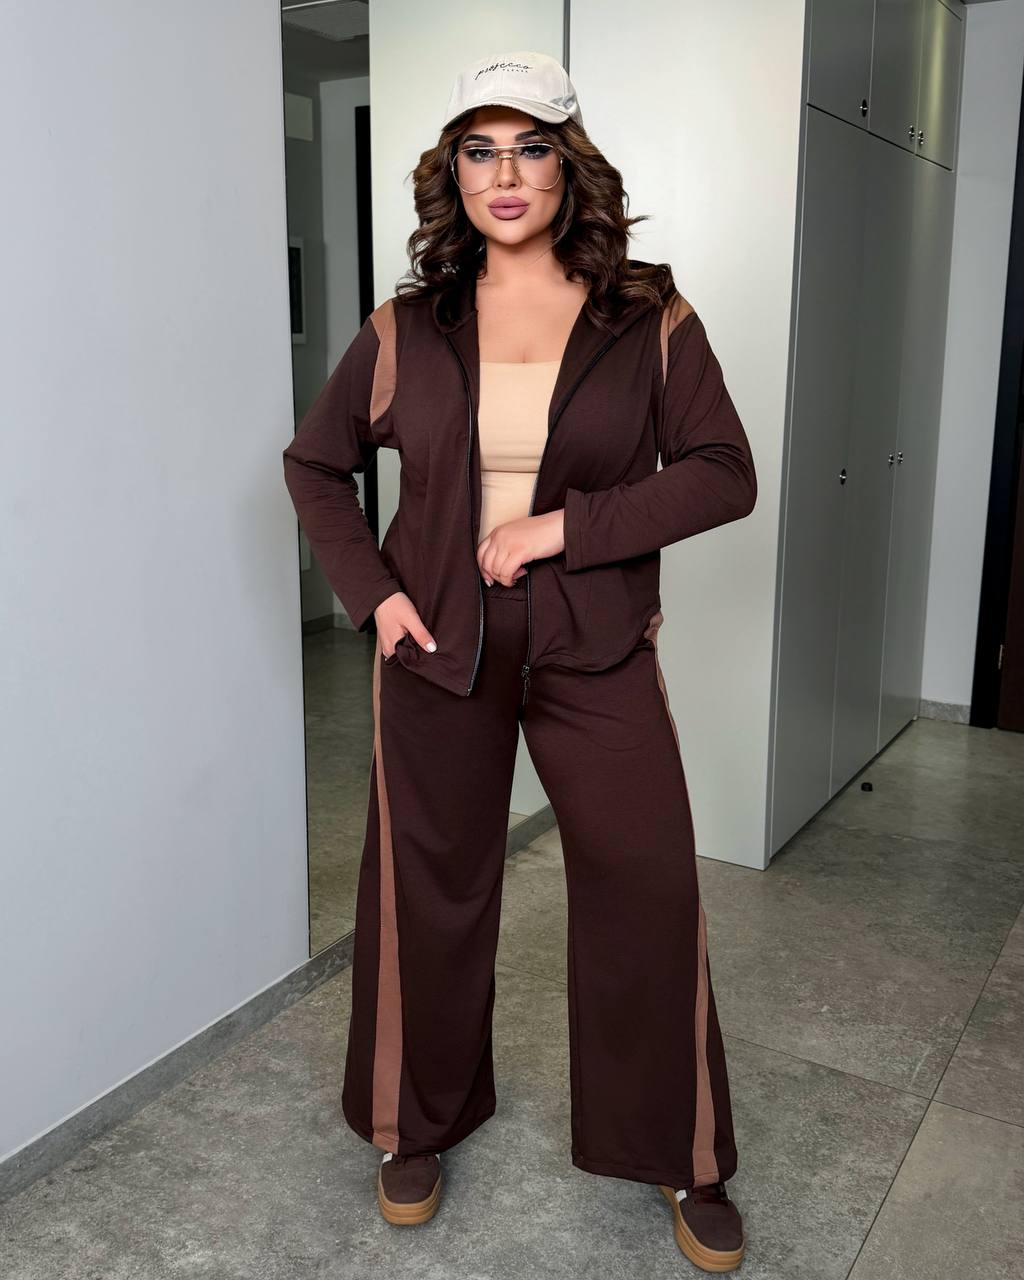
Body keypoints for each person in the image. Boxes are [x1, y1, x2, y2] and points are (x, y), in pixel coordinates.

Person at [282, 50, 757, 1274]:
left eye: (531, 146)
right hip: (437, 647)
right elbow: (315, 464)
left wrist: (563, 528)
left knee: (648, 884)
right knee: (426, 889)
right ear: (453, 172)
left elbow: (722, 472)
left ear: (568, 164)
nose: (505, 173)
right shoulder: (406, 327)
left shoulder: (648, 318)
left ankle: (682, 1148)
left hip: (595, 647)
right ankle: (414, 1123)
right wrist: (375, 595)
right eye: (479, 150)